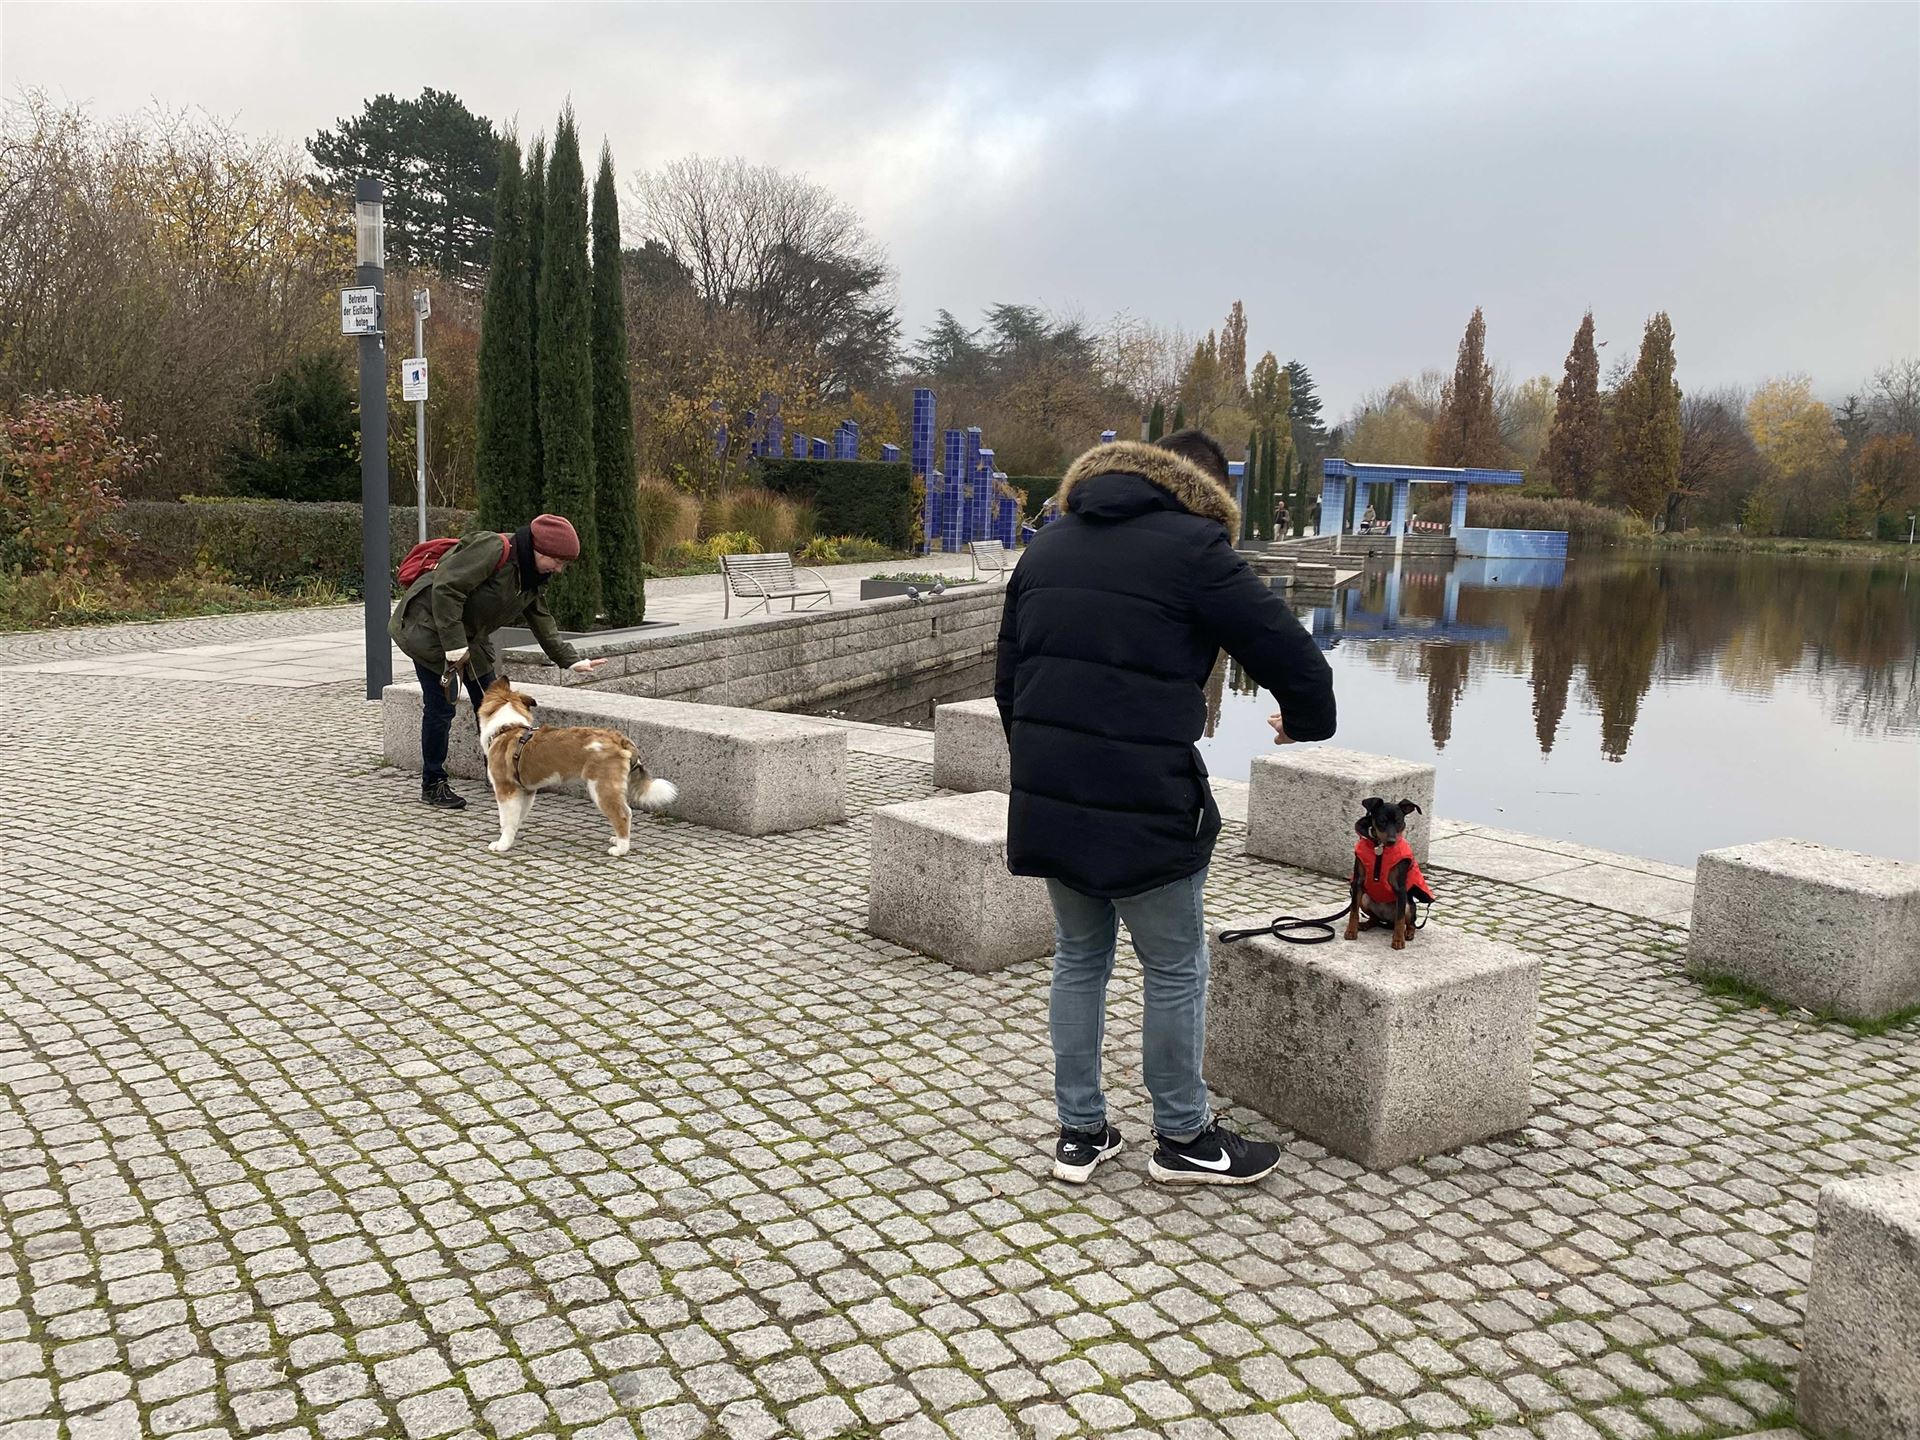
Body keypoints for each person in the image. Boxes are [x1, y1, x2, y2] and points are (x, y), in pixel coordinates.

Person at [995, 431, 1336, 1187]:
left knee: (1079, 957)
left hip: (1054, 796)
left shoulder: (1047, 547)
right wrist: (1304, 723)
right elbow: (1297, 660)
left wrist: (1049, 767)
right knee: (1175, 967)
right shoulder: (1195, 548)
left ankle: (1080, 1133)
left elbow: (1008, 682)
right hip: (1147, 798)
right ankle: (1184, 1138)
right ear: (1203, 490)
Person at [389, 514, 605, 809]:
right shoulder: (493, 549)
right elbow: (446, 589)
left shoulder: (532, 576)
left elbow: (541, 619)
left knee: (497, 704)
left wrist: (570, 660)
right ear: (538, 549)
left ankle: (499, 774)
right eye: (557, 561)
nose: (559, 568)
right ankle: (433, 782)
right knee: (441, 708)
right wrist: (454, 648)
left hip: (470, 636)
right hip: (429, 629)